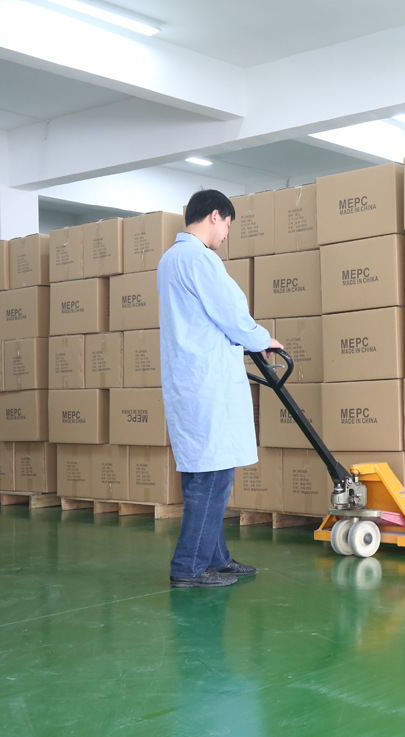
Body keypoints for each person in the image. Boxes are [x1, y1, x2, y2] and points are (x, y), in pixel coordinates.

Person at [158, 189, 282, 588]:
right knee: (212, 478)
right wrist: (262, 338)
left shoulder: (170, 259)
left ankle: (217, 558)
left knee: (202, 474)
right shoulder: (199, 258)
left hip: (189, 380)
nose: (226, 234)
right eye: (227, 225)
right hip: (206, 382)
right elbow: (229, 311)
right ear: (215, 216)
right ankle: (189, 567)